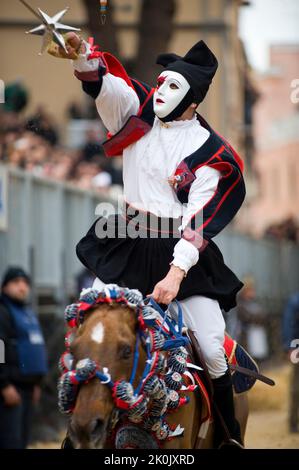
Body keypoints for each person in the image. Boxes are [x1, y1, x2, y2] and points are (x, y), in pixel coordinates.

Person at [55, 33, 246, 447]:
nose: (160, 91)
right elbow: (110, 90)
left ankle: (228, 438)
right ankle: (76, 435)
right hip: (126, 242)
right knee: (92, 333)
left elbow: (198, 224)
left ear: (193, 101)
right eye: (160, 82)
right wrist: (85, 60)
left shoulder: (210, 151)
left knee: (212, 347)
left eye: (173, 86)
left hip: (182, 254)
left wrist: (176, 275)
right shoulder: (137, 111)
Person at [0, 267, 48, 448]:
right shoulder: (3, 311)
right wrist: (3, 385)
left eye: (25, 283)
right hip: (10, 390)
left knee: (22, 442)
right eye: (16, 282)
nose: (22, 287)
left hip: (28, 389)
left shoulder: (26, 312)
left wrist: (36, 384)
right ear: (4, 287)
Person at [282, 292, 299, 433]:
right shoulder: (295, 301)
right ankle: (293, 423)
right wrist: (291, 348)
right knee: (296, 387)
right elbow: (288, 325)